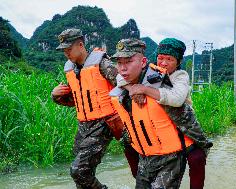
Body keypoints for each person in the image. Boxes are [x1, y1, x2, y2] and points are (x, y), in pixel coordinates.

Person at [115, 38, 212, 189]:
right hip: (152, 135)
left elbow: (177, 99)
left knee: (197, 157)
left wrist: (144, 89)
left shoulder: (180, 76)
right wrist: (133, 88)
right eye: (161, 58)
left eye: (169, 59)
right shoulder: (150, 72)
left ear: (178, 62)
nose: (164, 63)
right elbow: (119, 77)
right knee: (128, 145)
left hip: (182, 124)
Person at [51, 28, 123, 189]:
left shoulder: (102, 63)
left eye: (69, 49)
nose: (66, 53)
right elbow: (76, 100)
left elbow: (125, 87)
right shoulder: (71, 69)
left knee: (78, 171)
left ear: (81, 44)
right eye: (64, 50)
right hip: (83, 125)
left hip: (104, 123)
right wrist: (56, 96)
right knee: (82, 173)